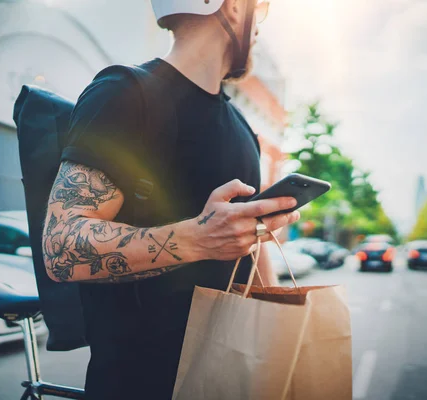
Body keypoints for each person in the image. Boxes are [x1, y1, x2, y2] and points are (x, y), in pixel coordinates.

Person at [41, 0, 299, 398]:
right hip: (138, 383)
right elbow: (61, 247)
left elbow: (253, 252)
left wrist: (286, 337)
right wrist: (197, 239)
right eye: (257, 9)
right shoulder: (124, 94)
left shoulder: (244, 131)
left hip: (226, 378)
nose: (259, 26)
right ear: (231, 8)